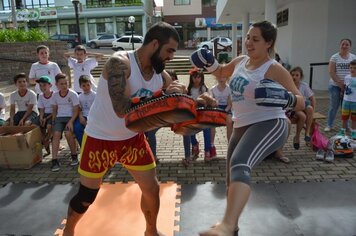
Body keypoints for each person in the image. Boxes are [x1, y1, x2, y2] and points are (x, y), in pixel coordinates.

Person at [62, 22, 186, 236]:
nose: (171, 57)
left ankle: (150, 231)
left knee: (152, 189)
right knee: (86, 196)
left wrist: (178, 93)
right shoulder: (120, 64)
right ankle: (69, 231)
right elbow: (122, 111)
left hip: (132, 140)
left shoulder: (161, 75)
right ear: (155, 44)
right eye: (169, 50)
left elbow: (177, 95)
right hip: (100, 138)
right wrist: (164, 105)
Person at [190, 20, 305, 235]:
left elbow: (301, 102)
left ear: (268, 43)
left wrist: (285, 97)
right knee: (230, 178)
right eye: (248, 38)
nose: (249, 43)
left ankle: (226, 225)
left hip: (270, 123)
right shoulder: (242, 61)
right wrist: (209, 63)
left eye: (255, 39)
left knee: (240, 162)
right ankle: (231, 225)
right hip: (242, 124)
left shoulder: (274, 69)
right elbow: (223, 72)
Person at [325, 39, 356, 132]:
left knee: (345, 107)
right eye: (343, 44)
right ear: (340, 45)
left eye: (347, 44)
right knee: (334, 106)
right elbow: (331, 71)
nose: (345, 46)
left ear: (350, 46)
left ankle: (346, 126)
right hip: (335, 86)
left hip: (348, 87)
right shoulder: (334, 57)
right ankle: (329, 125)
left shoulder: (353, 57)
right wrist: (340, 84)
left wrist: (347, 85)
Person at [50, 73, 79, 172]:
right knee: (56, 134)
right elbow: (54, 108)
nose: (64, 86)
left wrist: (71, 121)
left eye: (65, 83)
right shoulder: (54, 95)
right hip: (59, 118)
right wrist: (53, 120)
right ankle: (54, 160)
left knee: (68, 133)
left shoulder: (73, 94)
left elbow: (76, 110)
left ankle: (74, 156)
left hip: (70, 118)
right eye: (61, 84)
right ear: (56, 85)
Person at [187, 67, 214, 162]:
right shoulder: (189, 89)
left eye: (198, 77)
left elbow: (208, 100)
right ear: (191, 78)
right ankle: (194, 145)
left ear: (202, 78)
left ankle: (207, 151)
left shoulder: (204, 88)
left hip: (203, 114)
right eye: (194, 77)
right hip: (192, 114)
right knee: (189, 130)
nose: (196, 79)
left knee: (206, 130)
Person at [289, 66, 316, 148]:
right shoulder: (288, 84)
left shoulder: (304, 85)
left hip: (303, 105)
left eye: (297, 75)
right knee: (302, 116)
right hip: (294, 106)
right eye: (292, 75)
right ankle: (297, 137)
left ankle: (307, 133)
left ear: (300, 76)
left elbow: (312, 99)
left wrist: (313, 112)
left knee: (310, 108)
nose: (294, 77)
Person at [209, 75, 233, 156]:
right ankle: (211, 145)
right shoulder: (212, 89)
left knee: (229, 121)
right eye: (219, 76)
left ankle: (230, 145)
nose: (221, 78)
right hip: (216, 108)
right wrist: (214, 103)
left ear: (227, 78)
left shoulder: (230, 89)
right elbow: (212, 102)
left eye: (223, 76)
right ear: (216, 77)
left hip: (227, 108)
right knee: (212, 122)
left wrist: (224, 112)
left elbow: (230, 104)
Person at [73, 75, 96, 147]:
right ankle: (83, 146)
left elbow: (97, 108)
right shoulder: (79, 97)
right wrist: (81, 117)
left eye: (88, 85)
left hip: (93, 117)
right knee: (77, 127)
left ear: (91, 84)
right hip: (83, 116)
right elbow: (79, 109)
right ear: (80, 86)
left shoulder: (95, 95)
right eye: (84, 86)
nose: (86, 87)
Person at [36, 75, 54, 155]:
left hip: (53, 114)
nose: (42, 87)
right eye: (40, 85)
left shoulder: (54, 95)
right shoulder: (40, 95)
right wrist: (41, 117)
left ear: (50, 85)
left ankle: (47, 139)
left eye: (44, 85)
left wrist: (46, 118)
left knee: (49, 126)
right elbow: (42, 109)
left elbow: (55, 110)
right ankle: (44, 140)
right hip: (44, 114)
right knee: (36, 125)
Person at [339, 59, 356, 139]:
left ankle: (353, 132)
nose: (352, 69)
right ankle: (342, 131)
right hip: (346, 101)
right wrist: (342, 94)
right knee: (344, 117)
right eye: (351, 67)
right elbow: (345, 87)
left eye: (355, 68)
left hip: (355, 102)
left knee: (354, 118)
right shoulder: (346, 77)